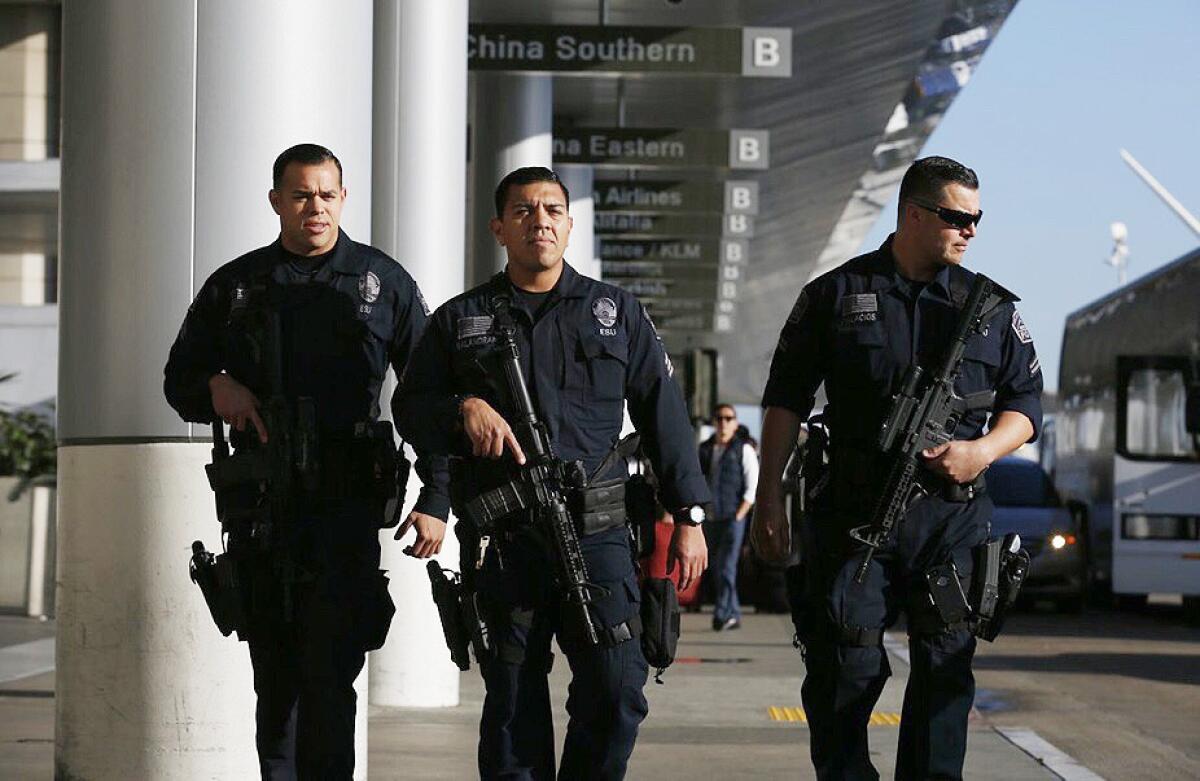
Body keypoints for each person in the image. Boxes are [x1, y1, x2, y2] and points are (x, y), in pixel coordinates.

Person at [396, 166, 710, 780]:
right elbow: (409, 408)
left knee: (618, 691)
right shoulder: (462, 320)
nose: (538, 220)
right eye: (523, 211)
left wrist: (690, 515)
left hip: (598, 534)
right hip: (507, 542)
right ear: (499, 228)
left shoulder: (615, 313)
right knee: (513, 706)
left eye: (551, 210)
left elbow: (664, 415)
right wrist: (462, 410)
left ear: (569, 225)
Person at [752, 156, 1042, 780]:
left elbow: (1026, 407)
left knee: (943, 672)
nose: (969, 230)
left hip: (951, 518)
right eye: (955, 217)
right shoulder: (834, 295)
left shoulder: (989, 308)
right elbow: (784, 401)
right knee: (842, 671)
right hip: (856, 515)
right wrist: (769, 499)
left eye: (977, 219)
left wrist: (981, 452)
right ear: (913, 214)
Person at [163, 143, 446, 779]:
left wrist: (437, 495)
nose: (314, 206)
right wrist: (216, 387)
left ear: (343, 199)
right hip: (263, 507)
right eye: (300, 194)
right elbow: (176, 377)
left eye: (326, 193)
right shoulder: (236, 285)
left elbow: (427, 395)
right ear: (276, 202)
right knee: (275, 679)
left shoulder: (383, 283)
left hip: (345, 505)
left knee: (331, 676)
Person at [698, 403, 759, 631]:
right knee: (717, 568)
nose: (723, 422)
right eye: (719, 418)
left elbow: (752, 488)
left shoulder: (743, 449)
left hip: (733, 517)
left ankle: (721, 615)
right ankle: (733, 613)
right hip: (710, 518)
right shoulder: (705, 449)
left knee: (727, 567)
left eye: (728, 418)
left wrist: (739, 516)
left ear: (735, 422)